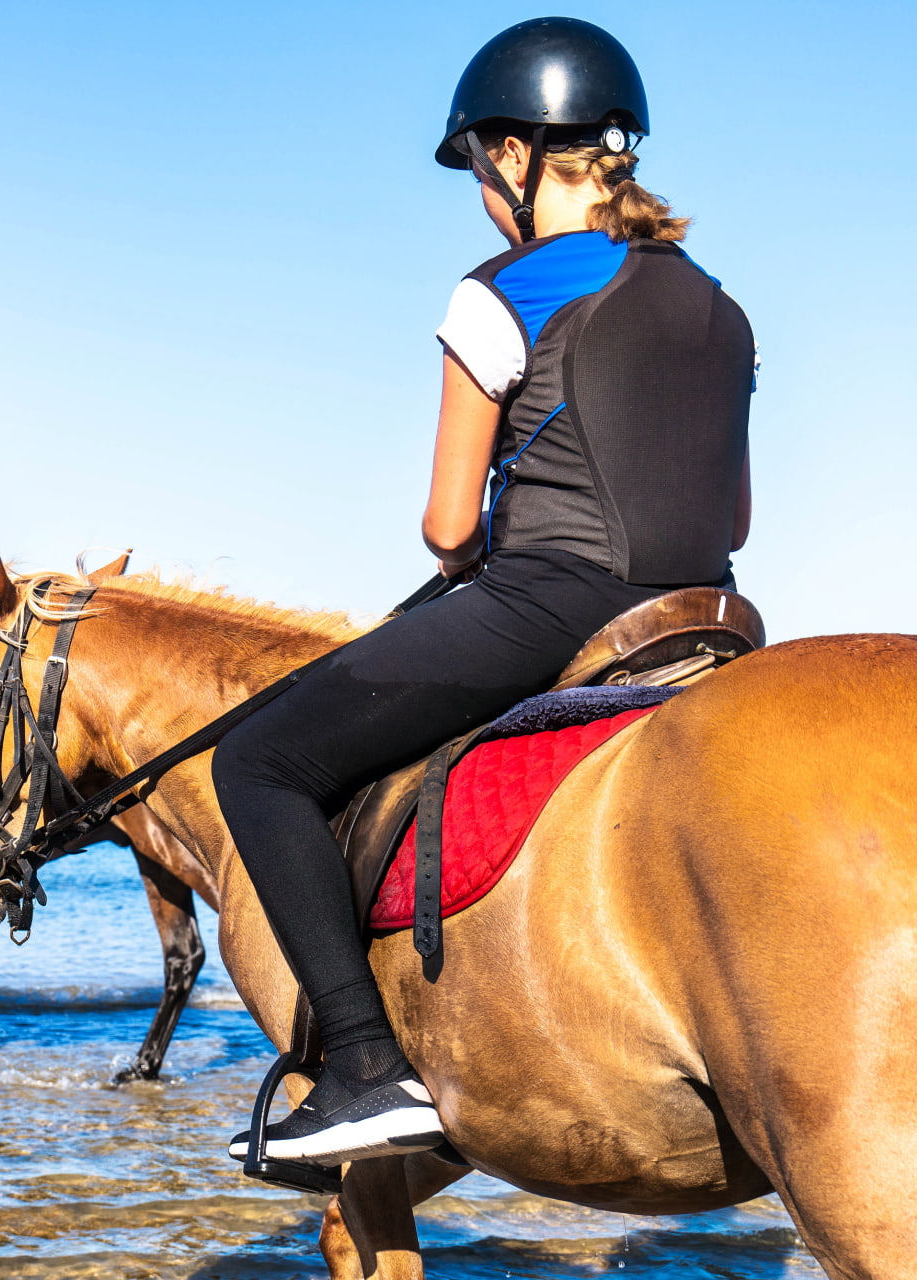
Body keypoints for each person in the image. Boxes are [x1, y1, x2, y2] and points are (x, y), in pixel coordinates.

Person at [213, 16, 756, 1166]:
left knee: (257, 763)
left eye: (474, 167)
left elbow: (448, 525)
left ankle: (364, 1069)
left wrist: (470, 567)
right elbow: (736, 518)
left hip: (555, 602)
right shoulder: (722, 305)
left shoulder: (498, 290)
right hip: (707, 616)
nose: (476, 191)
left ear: (512, 156)